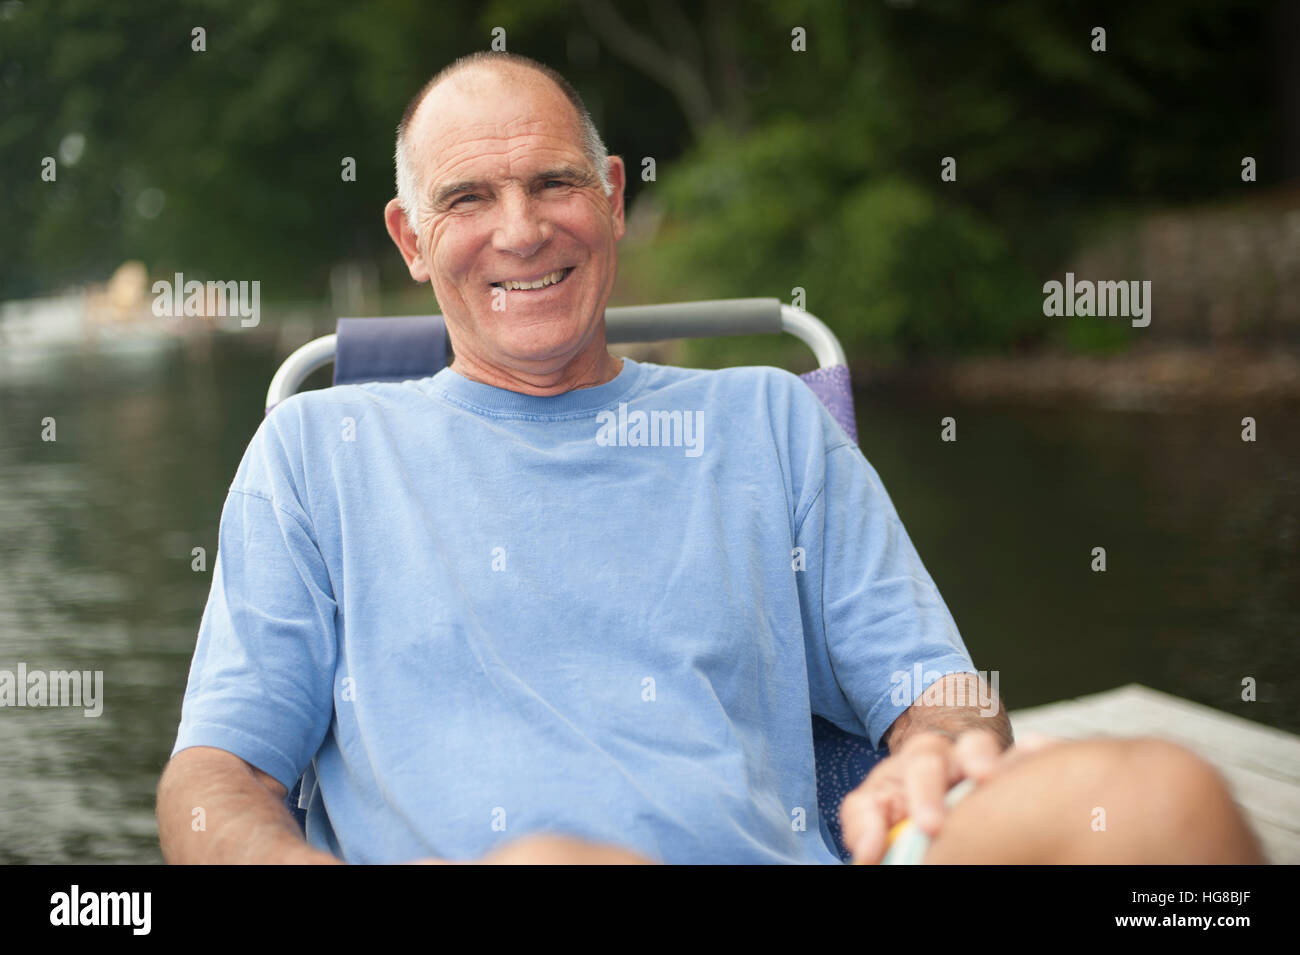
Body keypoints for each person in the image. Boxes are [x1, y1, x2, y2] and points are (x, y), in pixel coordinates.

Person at [156, 52, 1264, 865]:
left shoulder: (767, 424)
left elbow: (944, 686)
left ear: (614, 198)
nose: (521, 230)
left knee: (1165, 796)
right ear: (409, 240)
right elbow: (217, 777)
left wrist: (947, 743)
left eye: (552, 183)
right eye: (468, 199)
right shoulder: (318, 451)